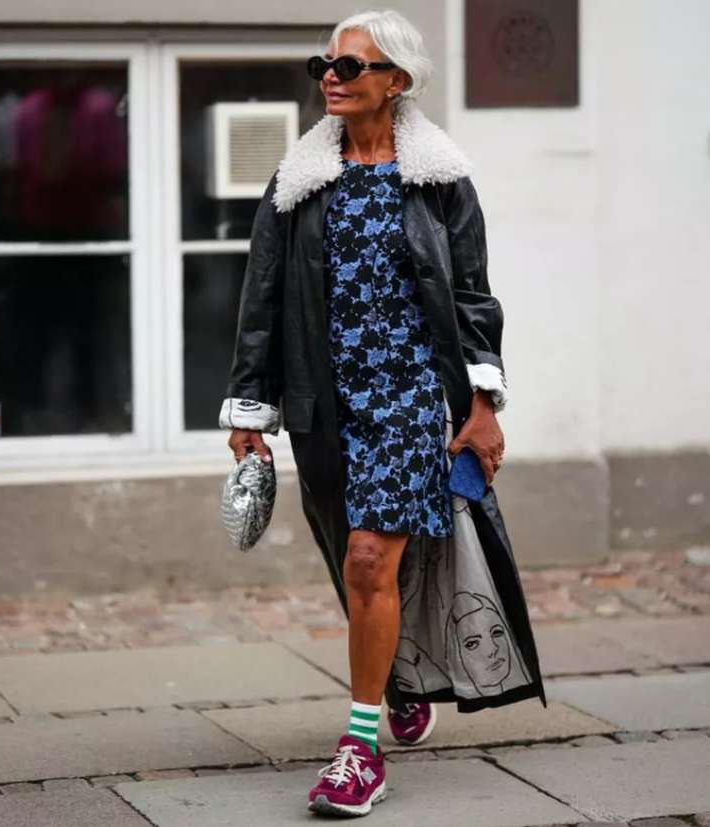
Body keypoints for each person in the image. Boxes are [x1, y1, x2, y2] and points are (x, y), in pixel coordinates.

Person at [219, 8, 546, 818]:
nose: (330, 78)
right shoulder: (298, 182)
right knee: (355, 561)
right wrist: (250, 408)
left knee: (370, 558)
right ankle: (397, 675)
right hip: (325, 402)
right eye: (324, 66)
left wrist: (483, 403)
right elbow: (261, 299)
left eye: (350, 66)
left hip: (409, 398)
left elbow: (472, 297)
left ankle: (359, 751)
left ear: (396, 81)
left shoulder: (439, 181)